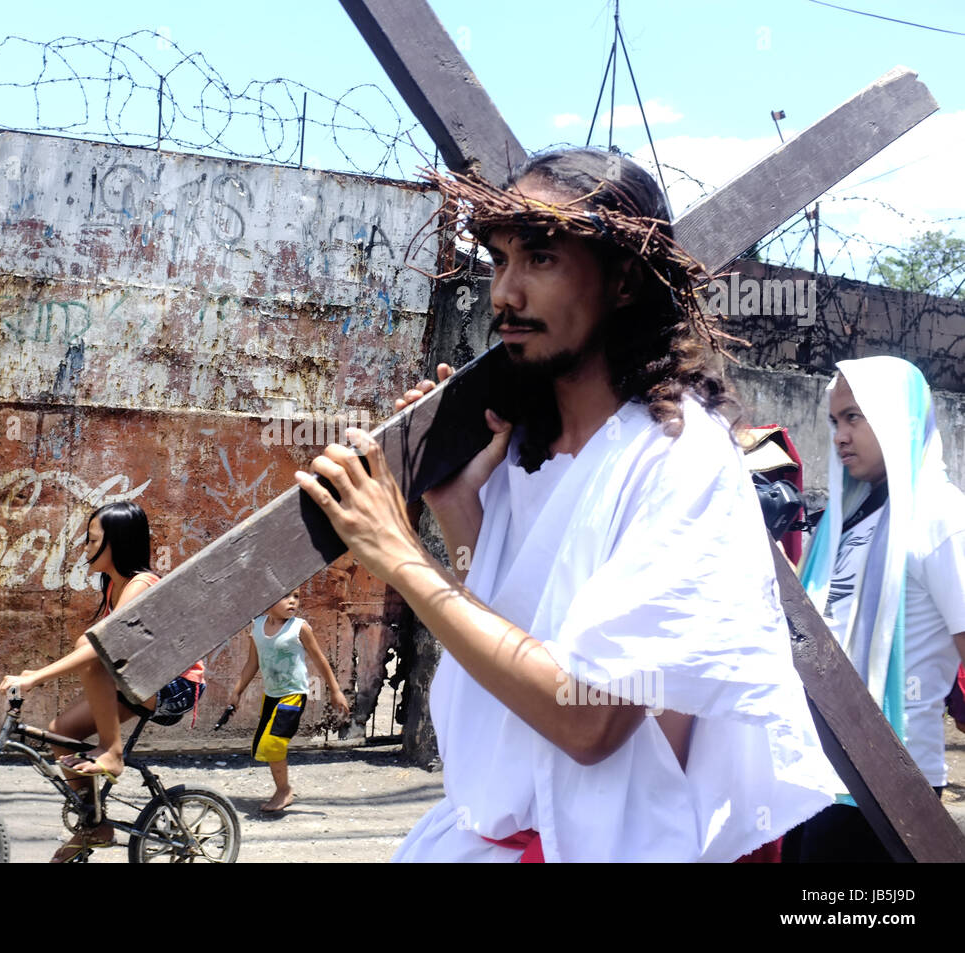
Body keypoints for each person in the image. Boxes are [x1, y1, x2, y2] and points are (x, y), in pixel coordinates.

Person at [294, 148, 839, 861]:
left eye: (542, 259)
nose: (505, 294)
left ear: (623, 279)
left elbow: (590, 720)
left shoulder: (678, 457)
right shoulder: (531, 452)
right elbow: (520, 634)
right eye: (500, 259)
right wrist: (456, 511)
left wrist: (399, 557)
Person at [789, 357, 965, 862]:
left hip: (892, 785)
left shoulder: (940, 516)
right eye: (834, 421)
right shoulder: (847, 519)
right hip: (820, 776)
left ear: (898, 418)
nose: (840, 436)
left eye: (855, 417)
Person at [0, 501, 204, 861]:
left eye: (93, 542)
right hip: (140, 682)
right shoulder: (114, 585)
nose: (86, 549)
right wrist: (37, 675)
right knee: (61, 733)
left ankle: (113, 752)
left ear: (117, 544)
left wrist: (38, 678)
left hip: (176, 687)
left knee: (93, 651)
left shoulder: (142, 584)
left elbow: (98, 649)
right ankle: (94, 827)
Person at [227, 589, 350, 813]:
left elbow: (319, 659)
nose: (293, 601)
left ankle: (284, 791)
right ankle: (282, 788)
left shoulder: (299, 627)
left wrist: (335, 690)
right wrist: (237, 692)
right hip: (271, 695)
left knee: (273, 744)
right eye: (286, 596)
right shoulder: (257, 627)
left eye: (296, 596)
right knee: (262, 748)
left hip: (294, 694)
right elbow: (252, 663)